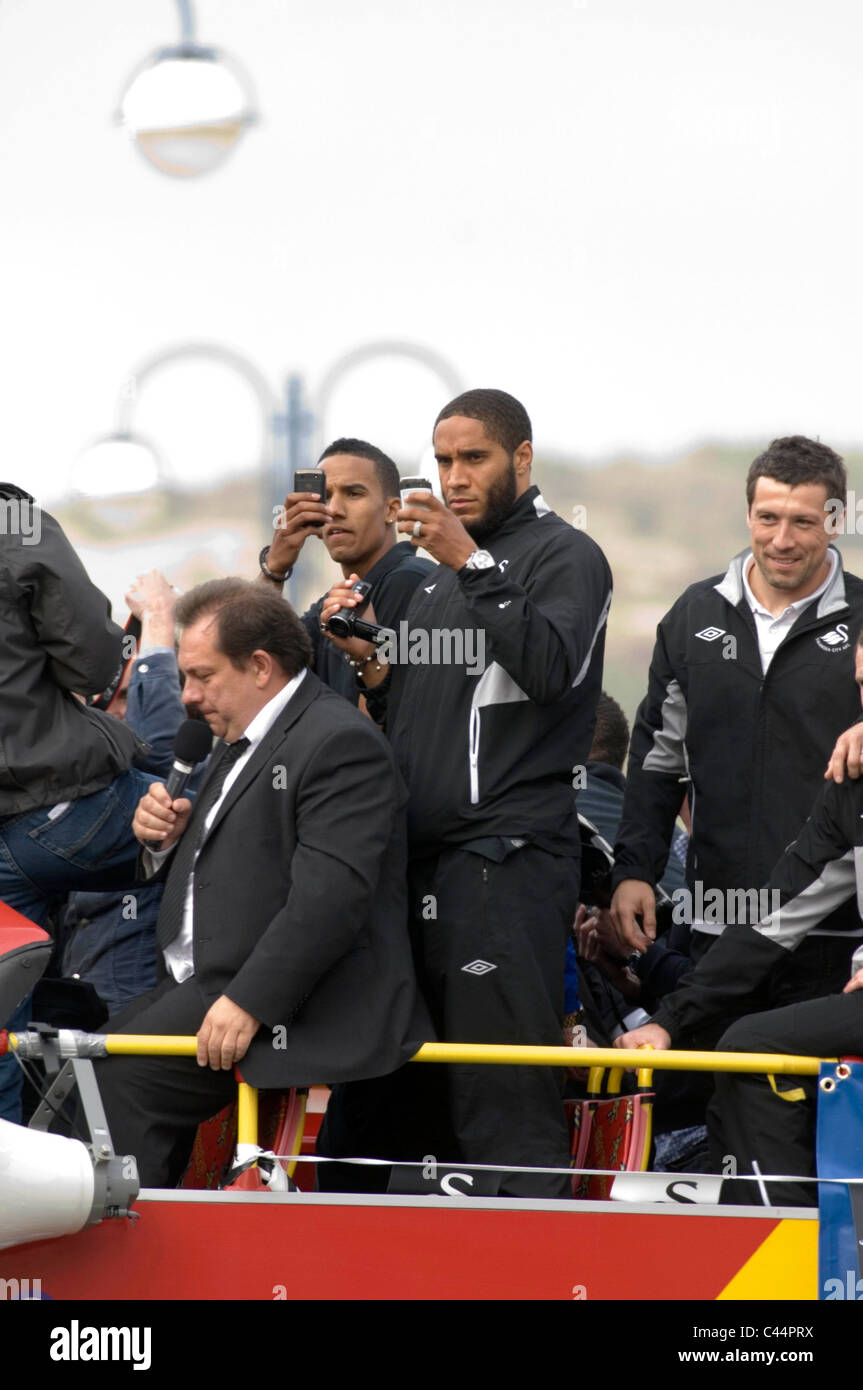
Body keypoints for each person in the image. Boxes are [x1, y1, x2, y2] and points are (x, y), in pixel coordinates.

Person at [325, 389, 613, 1198]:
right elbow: (420, 716)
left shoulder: (566, 555)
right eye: (443, 460)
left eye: (473, 458)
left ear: (521, 459)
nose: (453, 477)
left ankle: (538, 1270)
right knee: (378, 1094)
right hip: (413, 869)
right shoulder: (432, 584)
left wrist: (469, 562)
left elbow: (549, 669)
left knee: (501, 1107)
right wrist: (371, 663)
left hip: (504, 865)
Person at [94, 579, 424, 1187]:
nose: (188, 698)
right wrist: (166, 842)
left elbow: (332, 898)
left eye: (201, 676)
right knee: (80, 1067)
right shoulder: (241, 732)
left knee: (119, 1082)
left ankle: (136, 1251)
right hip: (204, 984)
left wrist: (252, 1000)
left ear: (262, 667)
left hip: (289, 1003)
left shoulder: (338, 741)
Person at [611, 436, 863, 1029]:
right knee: (706, 1111)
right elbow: (656, 760)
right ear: (748, 514)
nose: (782, 539)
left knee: (800, 1117)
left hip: (832, 930)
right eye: (768, 518)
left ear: (836, 520)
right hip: (715, 927)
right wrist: (633, 872)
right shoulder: (693, 615)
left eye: (803, 522)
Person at [616, 628, 863, 1204]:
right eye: (861, 685)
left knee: (749, 1045)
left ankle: (793, 1241)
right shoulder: (850, 787)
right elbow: (769, 920)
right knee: (744, 1046)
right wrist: (670, 1021)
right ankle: (788, 1240)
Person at [0, 485, 156, 1122]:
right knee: (216, 820)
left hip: (15, 850)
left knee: (6, 1027)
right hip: (54, 805)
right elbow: (95, 663)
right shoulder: (15, 524)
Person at [61, 571, 196, 1016]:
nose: (125, 712)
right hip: (72, 992)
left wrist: (159, 620)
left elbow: (156, 751)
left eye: (138, 695)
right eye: (115, 698)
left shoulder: (187, 775)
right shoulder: (81, 777)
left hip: (131, 1004)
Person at [258, 438, 432, 712]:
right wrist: (275, 568)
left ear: (392, 510)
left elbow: (395, 720)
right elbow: (262, 670)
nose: (334, 510)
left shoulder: (411, 580)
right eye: (324, 497)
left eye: (353, 493)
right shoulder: (336, 603)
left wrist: (367, 657)